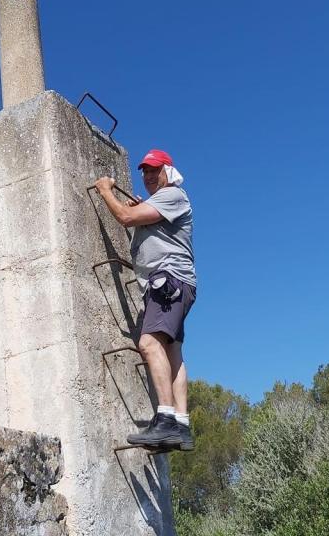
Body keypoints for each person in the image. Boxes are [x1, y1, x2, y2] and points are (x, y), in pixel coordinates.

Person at [94, 149, 196, 451]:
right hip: (177, 284)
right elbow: (147, 222)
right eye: (145, 172)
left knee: (149, 344)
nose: (149, 176)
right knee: (172, 353)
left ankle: (164, 420)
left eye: (155, 170)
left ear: (168, 171)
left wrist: (104, 190)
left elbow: (125, 217)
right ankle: (181, 426)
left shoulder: (172, 195)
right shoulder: (162, 202)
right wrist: (144, 211)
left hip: (168, 281)